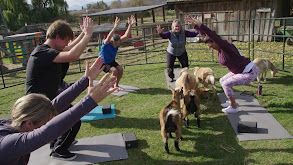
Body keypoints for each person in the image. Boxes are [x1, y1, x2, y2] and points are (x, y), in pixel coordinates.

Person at [0, 58, 117, 165]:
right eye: (44, 123)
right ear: (29, 123)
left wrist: (85, 80)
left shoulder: (12, 122)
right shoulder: (9, 144)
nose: (48, 123)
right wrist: (89, 101)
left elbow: (54, 106)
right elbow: (47, 132)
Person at [25, 17, 94, 159]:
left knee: (67, 119)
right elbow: (72, 54)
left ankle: (57, 143)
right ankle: (58, 149)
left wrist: (82, 34)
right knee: (73, 120)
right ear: (57, 37)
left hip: (48, 99)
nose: (67, 44)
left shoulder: (48, 50)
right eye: (66, 40)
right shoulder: (42, 53)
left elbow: (68, 48)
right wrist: (87, 35)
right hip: (37, 105)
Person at [185, 15, 258, 113]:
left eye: (211, 46)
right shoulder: (220, 48)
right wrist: (195, 27)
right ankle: (230, 101)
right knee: (223, 80)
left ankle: (234, 107)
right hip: (240, 70)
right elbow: (206, 36)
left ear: (215, 41)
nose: (212, 48)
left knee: (226, 83)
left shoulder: (225, 47)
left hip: (249, 72)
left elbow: (212, 35)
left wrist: (201, 25)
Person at [99, 15, 136, 91]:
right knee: (114, 70)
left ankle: (117, 85)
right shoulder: (106, 44)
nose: (117, 45)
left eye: (118, 43)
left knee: (120, 69)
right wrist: (115, 27)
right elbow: (109, 37)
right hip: (103, 63)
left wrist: (130, 25)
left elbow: (126, 36)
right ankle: (111, 87)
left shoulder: (117, 42)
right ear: (112, 41)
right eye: (116, 43)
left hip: (111, 61)